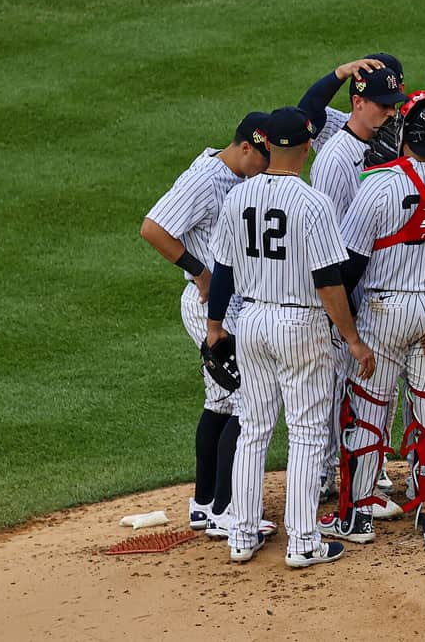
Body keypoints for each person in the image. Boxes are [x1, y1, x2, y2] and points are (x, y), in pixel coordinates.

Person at [206, 106, 375, 567]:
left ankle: (241, 535)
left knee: (253, 429)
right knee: (305, 432)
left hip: (252, 322)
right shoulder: (312, 202)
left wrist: (214, 326)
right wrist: (353, 339)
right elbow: (328, 280)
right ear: (306, 147)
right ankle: (303, 541)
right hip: (301, 325)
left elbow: (222, 269)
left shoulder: (238, 197)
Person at [319, 91, 425, 544]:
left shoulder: (377, 183)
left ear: (408, 133)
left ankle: (358, 518)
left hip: (384, 312)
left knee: (369, 413)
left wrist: (347, 326)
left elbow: (350, 263)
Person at [140, 111, 276, 537]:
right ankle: (225, 509)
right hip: (209, 309)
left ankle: (203, 503)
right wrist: (201, 273)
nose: (267, 169)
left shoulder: (241, 177)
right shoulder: (205, 179)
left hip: (229, 307)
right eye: (263, 159)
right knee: (247, 402)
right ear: (245, 147)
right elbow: (153, 228)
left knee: (220, 402)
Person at [308, 64, 410, 516]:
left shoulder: (367, 147)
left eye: (393, 106)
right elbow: (327, 238)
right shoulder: (336, 158)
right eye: (383, 107)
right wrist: (342, 307)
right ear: (357, 103)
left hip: (364, 287)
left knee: (357, 385)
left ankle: (351, 472)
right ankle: (329, 477)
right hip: (341, 290)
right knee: (336, 386)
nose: (390, 114)